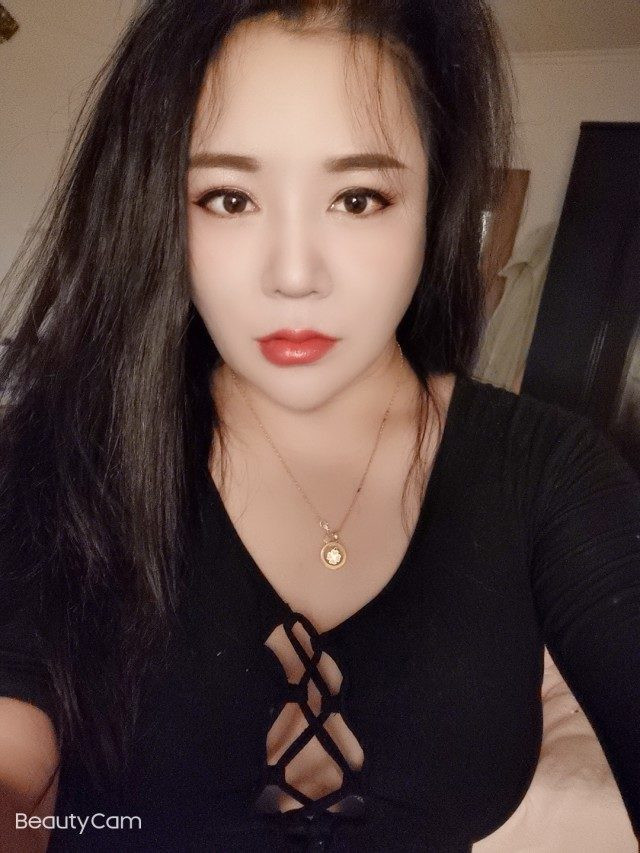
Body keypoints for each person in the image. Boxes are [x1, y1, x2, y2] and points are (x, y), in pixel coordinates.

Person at [0, 1, 638, 851]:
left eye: (357, 197)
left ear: (434, 201)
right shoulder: (61, 455)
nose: (294, 274)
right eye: (229, 198)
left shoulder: (550, 474)